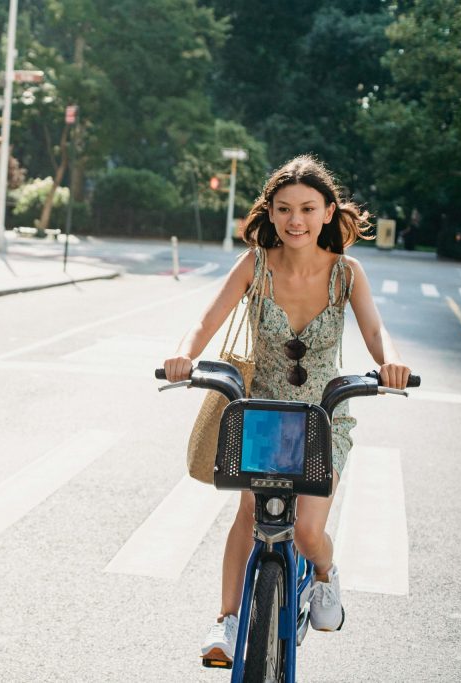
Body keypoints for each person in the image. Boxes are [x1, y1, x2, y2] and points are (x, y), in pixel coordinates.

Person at [162, 155, 410, 666]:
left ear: (326, 213)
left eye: (306, 208)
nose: (295, 219)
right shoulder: (255, 262)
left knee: (306, 532)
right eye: (284, 209)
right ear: (270, 214)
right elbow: (208, 318)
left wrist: (392, 362)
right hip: (263, 414)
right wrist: (185, 355)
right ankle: (227, 625)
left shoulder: (347, 273)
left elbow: (374, 331)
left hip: (324, 417)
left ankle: (324, 575)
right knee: (249, 513)